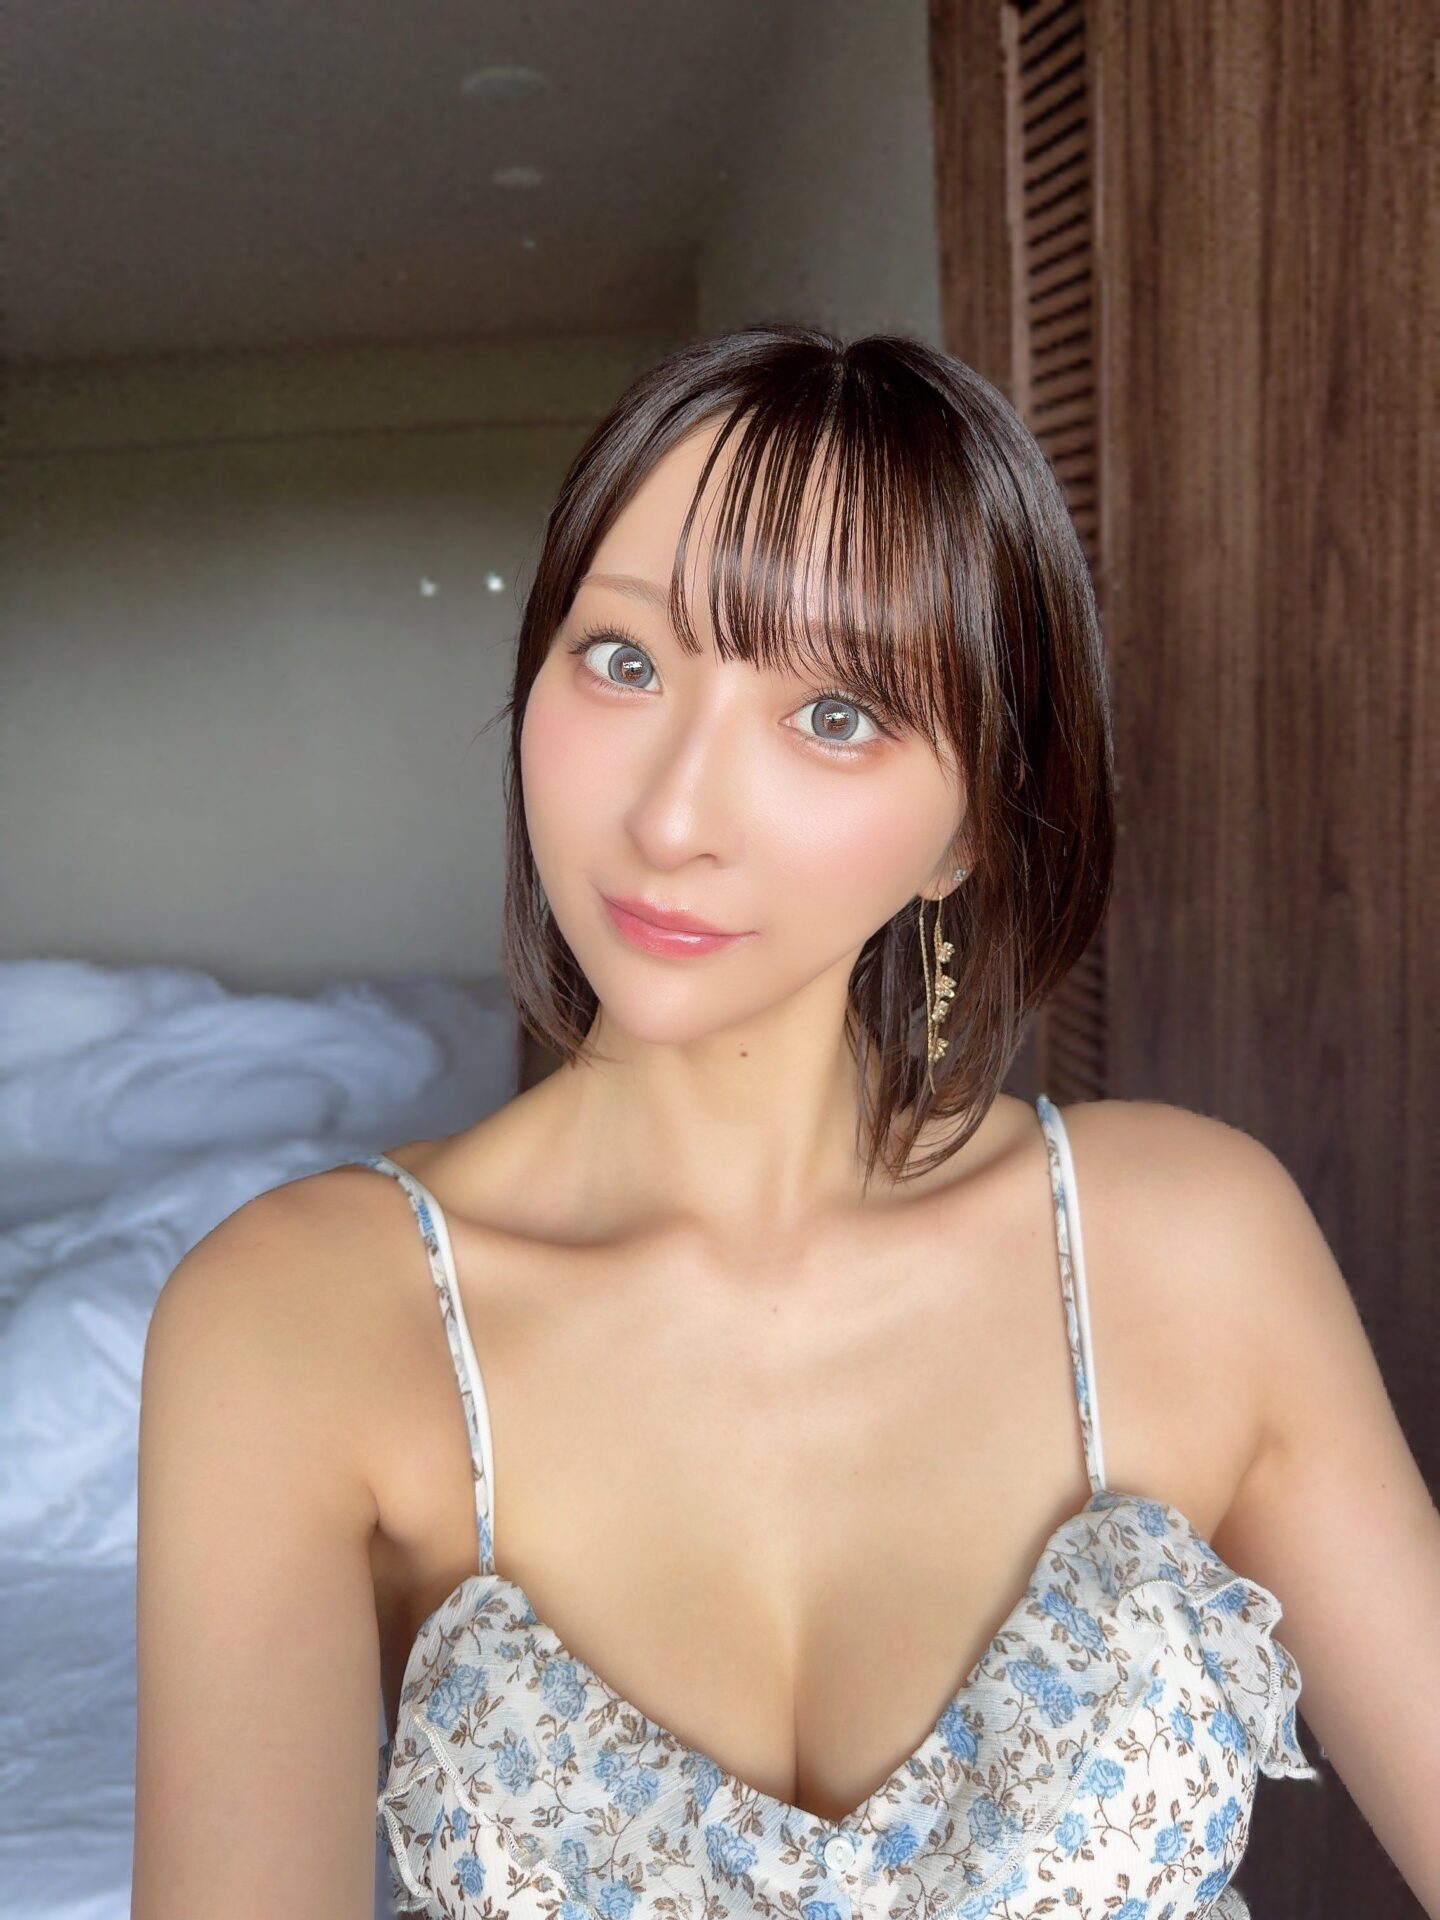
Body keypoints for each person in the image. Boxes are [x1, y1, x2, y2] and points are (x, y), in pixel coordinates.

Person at [131, 327, 1440, 1919]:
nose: (673, 815)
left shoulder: (1188, 1245)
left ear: (971, 827)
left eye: (835, 715)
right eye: (625, 662)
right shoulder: (295, 1320)